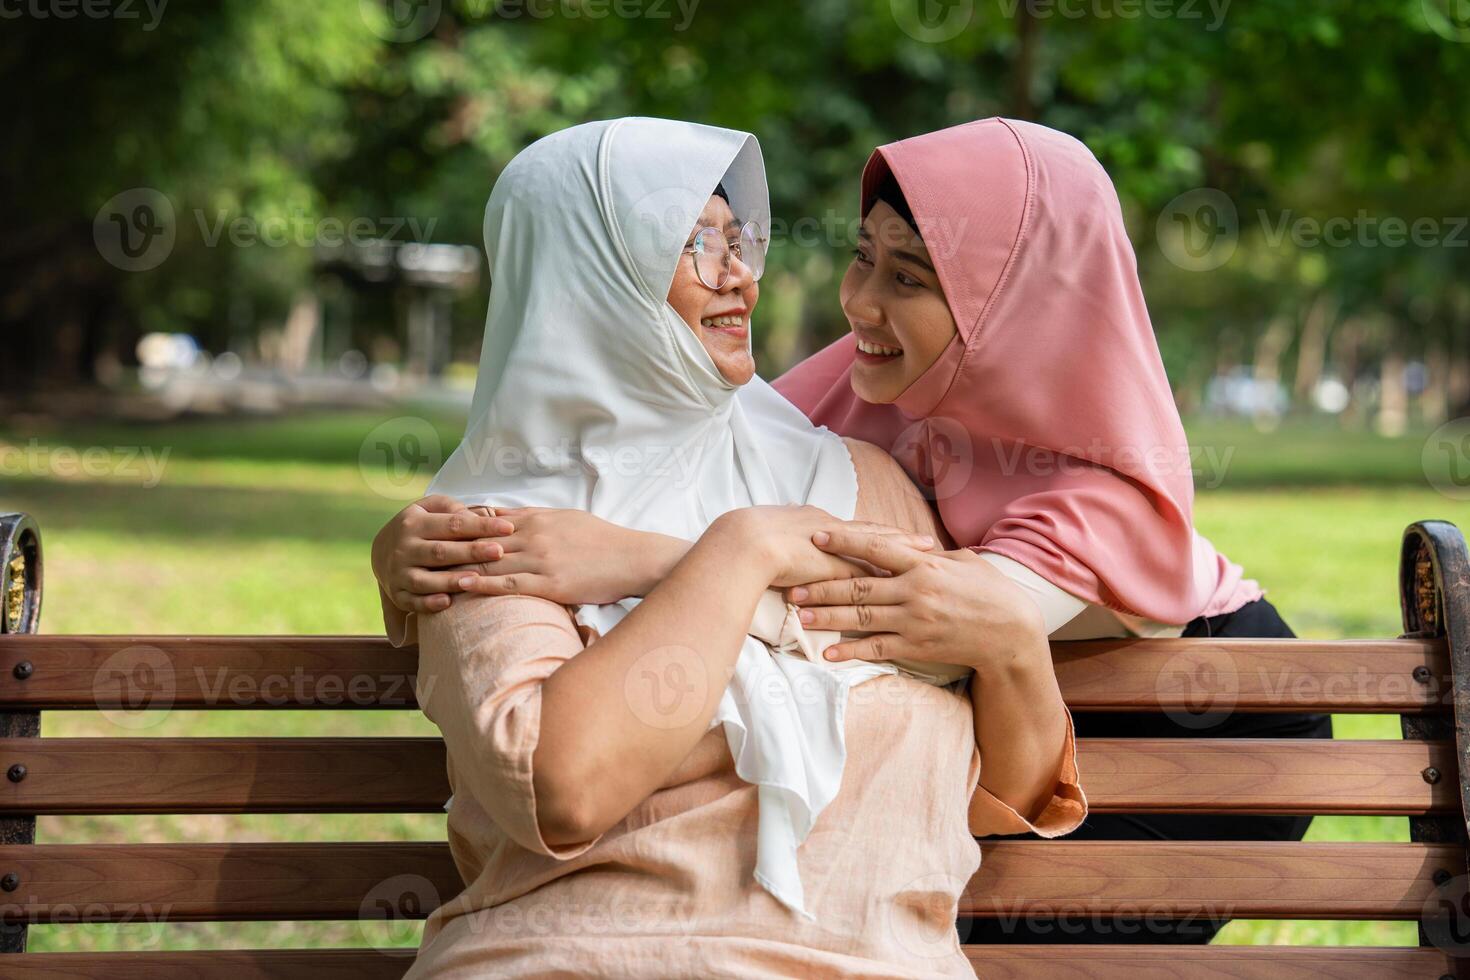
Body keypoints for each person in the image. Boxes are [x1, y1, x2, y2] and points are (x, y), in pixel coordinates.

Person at [379, 116, 1330, 946]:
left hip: (1212, 724)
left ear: (1009, 302)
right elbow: (695, 447)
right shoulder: (858, 378)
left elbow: (903, 614)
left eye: (911, 276)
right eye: (861, 255)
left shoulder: (1101, 495)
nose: (860, 303)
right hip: (1006, 706)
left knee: (1031, 946)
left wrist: (639, 558)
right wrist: (403, 552)